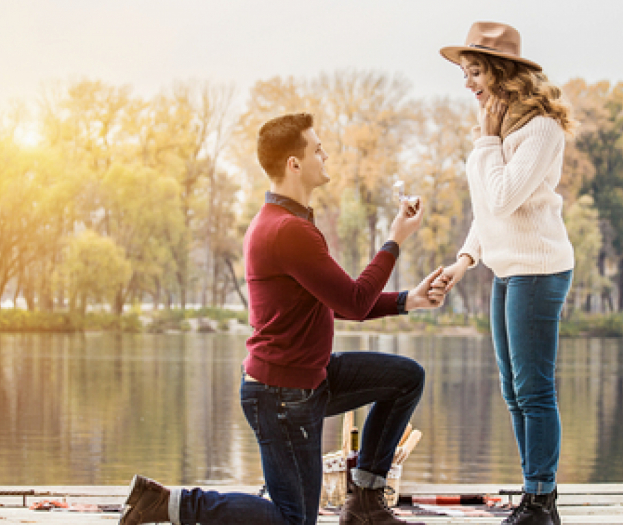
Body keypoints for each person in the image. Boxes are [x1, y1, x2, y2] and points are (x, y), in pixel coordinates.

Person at [120, 112, 446, 525]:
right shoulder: (287, 230)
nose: (325, 156)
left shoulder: (287, 224)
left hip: (308, 378)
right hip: (280, 396)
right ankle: (170, 503)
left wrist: (408, 300)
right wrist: (395, 239)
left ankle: (365, 500)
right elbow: (353, 302)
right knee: (294, 520)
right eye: (318, 149)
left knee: (405, 378)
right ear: (295, 163)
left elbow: (335, 302)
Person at [437, 21, 578, 525]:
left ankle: (540, 501)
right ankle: (533, 495)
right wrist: (464, 260)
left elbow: (502, 196)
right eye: (464, 72)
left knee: (534, 389)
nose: (468, 82)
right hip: (505, 269)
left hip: (538, 269)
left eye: (475, 71)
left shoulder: (540, 128)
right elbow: (488, 211)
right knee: (512, 390)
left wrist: (487, 141)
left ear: (501, 71)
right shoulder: (496, 131)